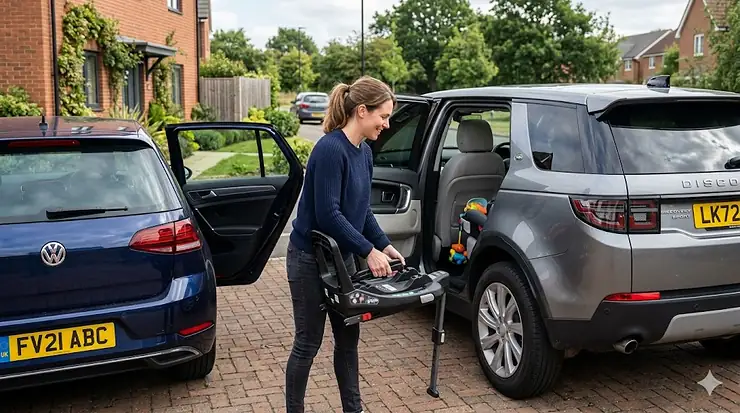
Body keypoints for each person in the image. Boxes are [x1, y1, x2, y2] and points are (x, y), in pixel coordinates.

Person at [285, 75, 405, 413]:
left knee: (348, 341)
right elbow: (328, 215)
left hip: (344, 259)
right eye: (383, 115)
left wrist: (384, 244)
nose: (387, 123)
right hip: (310, 259)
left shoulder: (364, 153)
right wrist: (369, 251)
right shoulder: (329, 149)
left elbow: (361, 210)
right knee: (308, 343)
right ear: (362, 111)